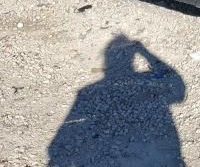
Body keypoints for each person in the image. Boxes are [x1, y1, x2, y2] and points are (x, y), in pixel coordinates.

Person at [48, 35, 185, 166]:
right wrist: (144, 51)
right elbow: (178, 92)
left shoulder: (88, 91)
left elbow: (59, 140)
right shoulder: (89, 91)